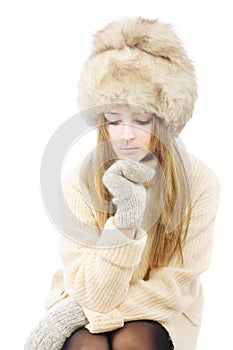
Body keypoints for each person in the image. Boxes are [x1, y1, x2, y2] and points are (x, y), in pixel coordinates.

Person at [24, 17, 220, 350]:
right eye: (114, 120)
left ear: (164, 120)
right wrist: (125, 219)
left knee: (133, 341)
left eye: (141, 119)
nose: (126, 134)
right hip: (87, 300)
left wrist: (82, 315)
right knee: (91, 346)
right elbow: (92, 291)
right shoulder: (79, 182)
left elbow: (174, 287)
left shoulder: (199, 182)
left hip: (159, 312)